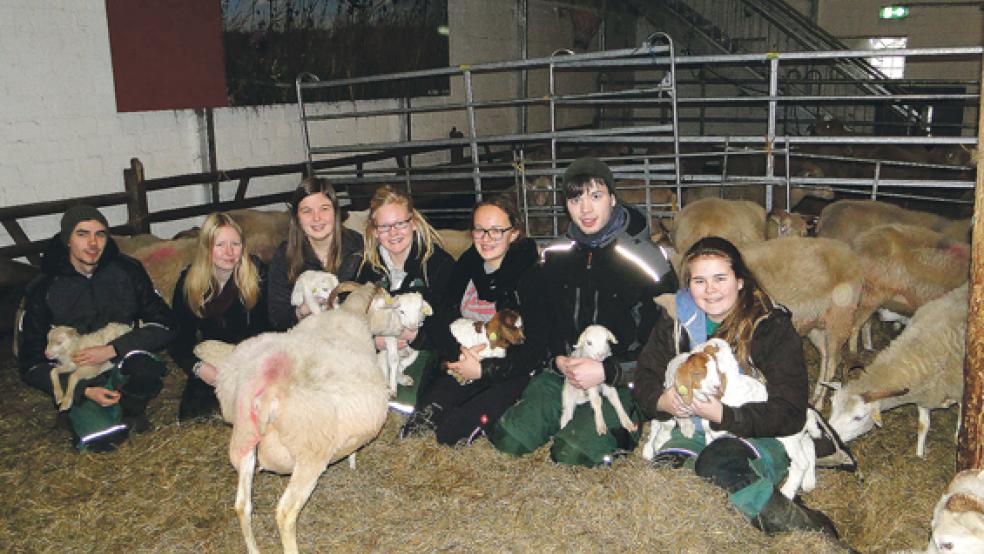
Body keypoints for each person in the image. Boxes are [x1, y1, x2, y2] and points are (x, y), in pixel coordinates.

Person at [632, 236, 841, 538]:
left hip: (759, 431)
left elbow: (791, 411)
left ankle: (809, 532)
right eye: (699, 281)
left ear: (740, 281)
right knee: (667, 477)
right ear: (688, 285)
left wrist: (725, 414)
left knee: (719, 465)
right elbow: (644, 377)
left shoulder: (770, 327)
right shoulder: (676, 320)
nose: (710, 290)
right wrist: (663, 401)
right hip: (692, 427)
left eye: (720, 278)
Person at [487, 157, 678, 467]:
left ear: (613, 199)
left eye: (595, 196)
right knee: (508, 439)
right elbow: (540, 322)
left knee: (570, 454)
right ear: (566, 204)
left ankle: (623, 423)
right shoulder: (554, 256)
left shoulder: (646, 262)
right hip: (564, 375)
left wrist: (610, 371)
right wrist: (556, 359)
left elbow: (666, 338)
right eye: (576, 198)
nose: (585, 209)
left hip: (623, 382)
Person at [19, 204, 176, 452]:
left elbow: (165, 323)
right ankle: (79, 407)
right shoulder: (43, 288)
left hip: (120, 358)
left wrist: (114, 349)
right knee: (102, 442)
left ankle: (131, 410)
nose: (93, 243)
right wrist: (84, 389)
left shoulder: (128, 271)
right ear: (66, 239)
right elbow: (30, 361)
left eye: (100, 234)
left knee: (145, 365)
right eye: (82, 234)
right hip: (78, 374)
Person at [401, 195, 539, 444]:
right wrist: (458, 354)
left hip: (506, 369)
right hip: (461, 360)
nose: (486, 239)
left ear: (514, 233)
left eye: (497, 231)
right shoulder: (466, 265)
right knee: (420, 424)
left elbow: (533, 348)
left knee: (451, 434)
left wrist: (483, 370)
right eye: (479, 230)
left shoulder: (530, 276)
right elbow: (439, 314)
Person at [353, 185, 455, 407]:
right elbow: (353, 317)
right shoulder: (367, 270)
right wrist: (373, 341)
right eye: (385, 226)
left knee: (409, 402)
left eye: (400, 223)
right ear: (373, 230)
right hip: (376, 353)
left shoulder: (438, 265)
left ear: (414, 223)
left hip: (423, 352)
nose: (393, 232)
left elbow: (450, 323)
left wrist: (415, 336)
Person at [169, 212, 269, 421]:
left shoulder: (258, 275)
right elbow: (178, 337)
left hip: (252, 358)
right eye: (220, 245)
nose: (229, 252)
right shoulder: (190, 283)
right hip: (213, 360)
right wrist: (198, 367)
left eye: (235, 244)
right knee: (195, 415)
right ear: (207, 248)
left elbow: (270, 327)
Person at [267, 177, 364, 331]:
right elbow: (277, 317)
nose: (316, 217)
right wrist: (301, 312)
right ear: (297, 218)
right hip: (305, 338)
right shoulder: (285, 255)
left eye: (324, 208)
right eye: (307, 211)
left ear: (335, 212)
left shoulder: (358, 247)